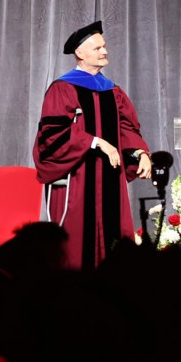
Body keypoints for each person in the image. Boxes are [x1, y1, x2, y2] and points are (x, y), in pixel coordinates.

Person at [32, 21, 152, 270]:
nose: (104, 51)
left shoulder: (113, 91)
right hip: (77, 178)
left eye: (104, 46)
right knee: (77, 246)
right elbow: (53, 135)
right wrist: (96, 142)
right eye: (98, 48)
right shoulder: (63, 89)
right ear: (80, 53)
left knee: (114, 242)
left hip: (109, 180)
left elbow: (127, 128)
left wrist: (140, 152)